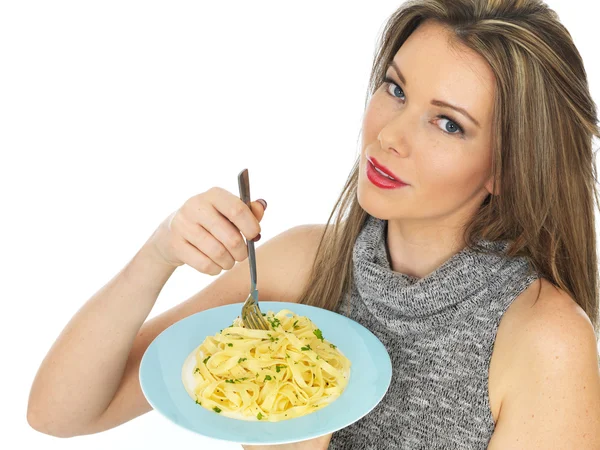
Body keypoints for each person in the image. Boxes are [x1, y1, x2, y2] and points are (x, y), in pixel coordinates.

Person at [27, 0, 600, 448]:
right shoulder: (302, 264)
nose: (390, 135)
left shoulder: (545, 342)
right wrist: (157, 256)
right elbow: (60, 413)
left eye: (447, 124)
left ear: (506, 165)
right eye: (395, 89)